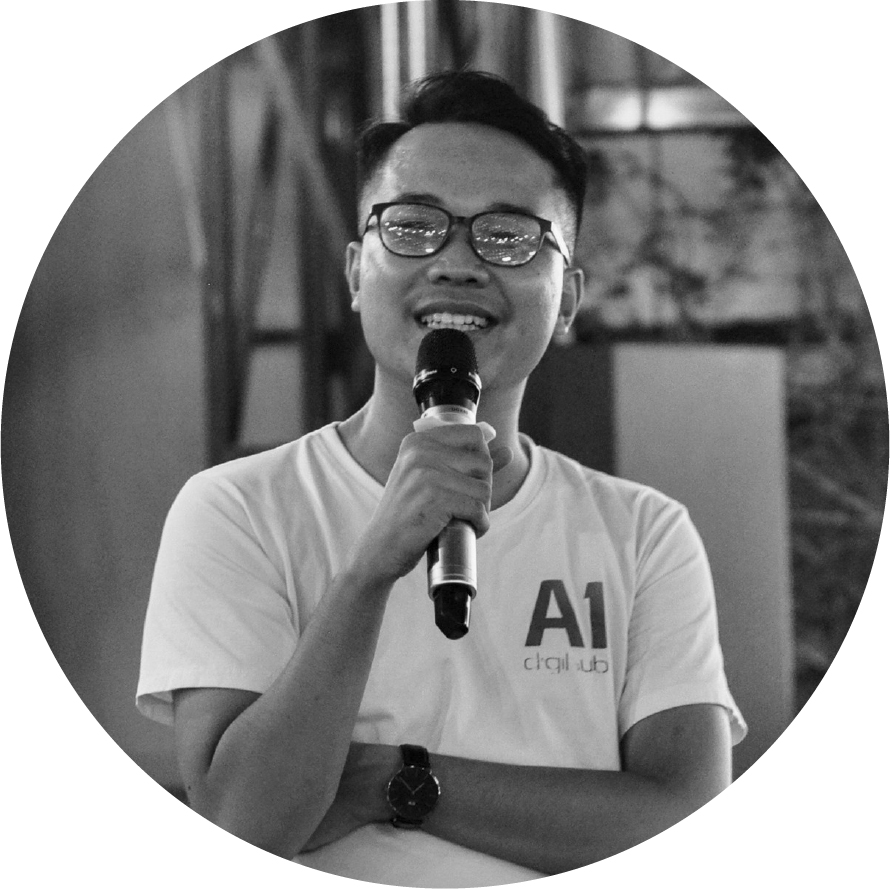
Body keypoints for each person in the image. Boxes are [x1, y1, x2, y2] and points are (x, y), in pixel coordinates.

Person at [137, 70, 746, 886]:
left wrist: (390, 778)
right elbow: (240, 826)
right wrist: (369, 569)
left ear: (567, 298)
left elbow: (684, 826)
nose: (456, 264)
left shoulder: (643, 532)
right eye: (414, 227)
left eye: (508, 236)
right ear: (356, 273)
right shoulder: (236, 508)